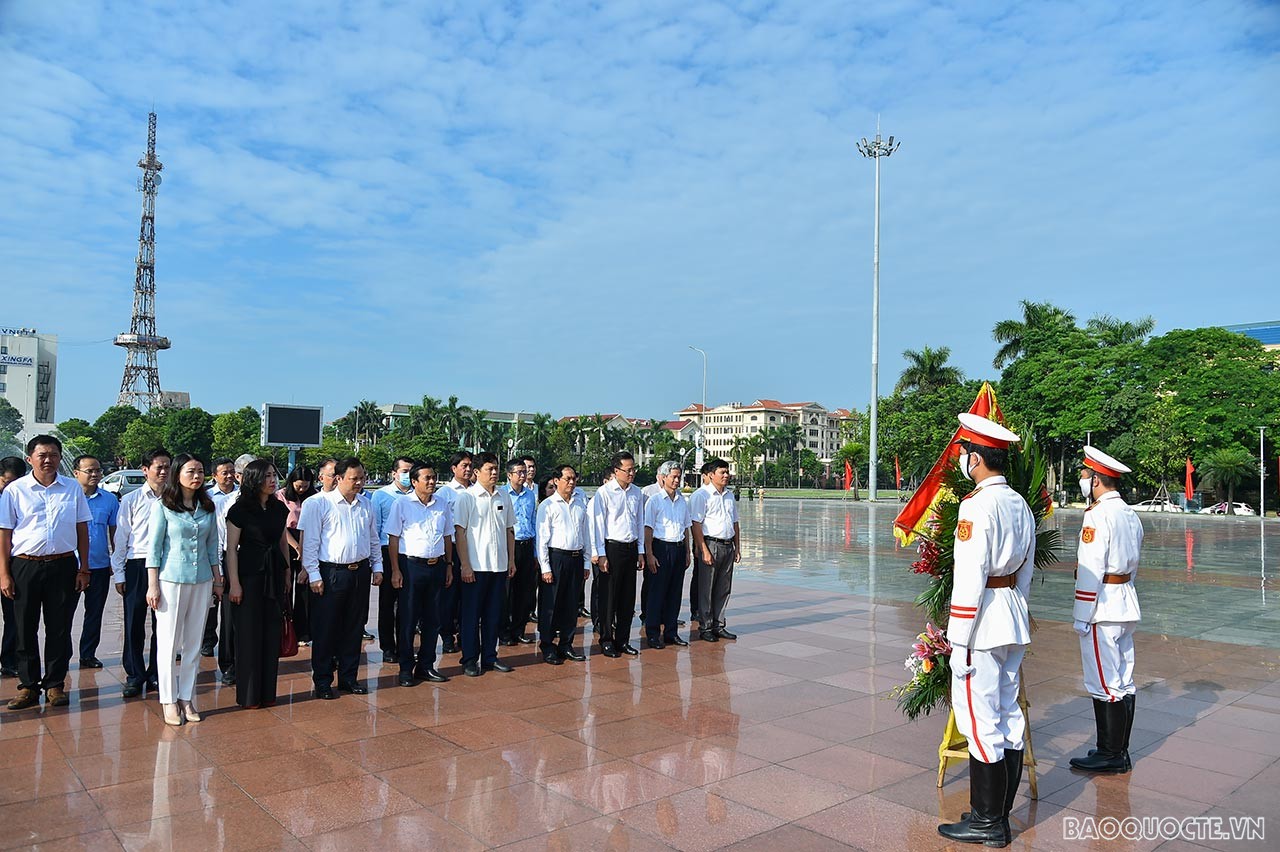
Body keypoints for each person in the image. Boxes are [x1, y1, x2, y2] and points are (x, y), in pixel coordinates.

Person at [937, 413, 1034, 848]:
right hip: (1012, 613)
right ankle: (997, 812)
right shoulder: (1019, 503)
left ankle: (986, 822)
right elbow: (1026, 569)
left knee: (979, 721)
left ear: (976, 459)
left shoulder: (976, 506)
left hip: (982, 621)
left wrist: (958, 638)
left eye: (964, 454)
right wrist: (1020, 608)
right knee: (1008, 713)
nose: (963, 460)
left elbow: (970, 574)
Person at [0, 436, 91, 710]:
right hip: (24, 566)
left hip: (63, 565)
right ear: (30, 459)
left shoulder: (72, 488)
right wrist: (4, 574)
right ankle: (28, 686)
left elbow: (82, 529)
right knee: (24, 627)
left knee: (59, 628)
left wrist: (83, 567)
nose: (48, 459)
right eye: (42, 455)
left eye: (53, 454)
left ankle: (54, 685)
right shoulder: (15, 491)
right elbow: (4, 535)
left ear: (60, 457)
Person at [1068, 447, 1143, 774]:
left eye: (1086, 475)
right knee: (1124, 681)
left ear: (1096, 479)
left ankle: (1109, 753)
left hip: (1103, 606)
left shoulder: (1097, 515)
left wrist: (1081, 614)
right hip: (1125, 599)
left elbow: (1090, 568)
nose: (1084, 480)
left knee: (1104, 681)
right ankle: (1119, 751)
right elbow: (1134, 562)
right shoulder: (1129, 513)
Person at [146, 454, 223, 726]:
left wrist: (217, 579)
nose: (196, 476)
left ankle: (186, 696)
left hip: (201, 579)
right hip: (170, 580)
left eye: (200, 471)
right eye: (190, 471)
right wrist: (152, 584)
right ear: (178, 474)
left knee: (193, 642)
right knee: (168, 642)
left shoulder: (207, 506)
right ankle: (168, 699)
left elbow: (212, 546)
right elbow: (154, 548)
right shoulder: (163, 506)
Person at [299, 457, 381, 699]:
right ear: (339, 478)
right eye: (353, 478)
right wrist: (313, 574)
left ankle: (348, 677)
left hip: (360, 572)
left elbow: (373, 538)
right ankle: (323, 680)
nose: (358, 483)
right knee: (326, 629)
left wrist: (378, 567)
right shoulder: (318, 503)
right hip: (331, 572)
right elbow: (311, 543)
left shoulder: (366, 504)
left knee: (354, 628)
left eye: (362, 478)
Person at [225, 460, 290, 709]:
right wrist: (235, 584)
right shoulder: (240, 509)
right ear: (254, 480)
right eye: (266, 476)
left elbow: (283, 542)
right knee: (249, 636)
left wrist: (286, 574)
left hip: (274, 573)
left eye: (274, 475)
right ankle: (249, 695)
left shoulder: (277, 508)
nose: (272, 481)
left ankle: (268, 693)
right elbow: (231, 549)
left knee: (271, 635)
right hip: (249, 575)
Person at [386, 461, 456, 686]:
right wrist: (396, 570)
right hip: (411, 567)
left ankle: (426, 665)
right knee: (407, 618)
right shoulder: (402, 504)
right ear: (414, 482)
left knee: (433, 619)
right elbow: (393, 538)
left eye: (434, 477)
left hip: (436, 567)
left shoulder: (442, 504)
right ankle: (406, 667)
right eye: (427, 478)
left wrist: (448, 565)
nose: (432, 481)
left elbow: (448, 536)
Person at [112, 447, 171, 697]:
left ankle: (157, 674)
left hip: (167, 565)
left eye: (168, 466)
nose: (164, 471)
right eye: (159, 466)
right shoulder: (131, 499)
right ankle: (135, 675)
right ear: (145, 470)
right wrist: (119, 574)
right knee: (134, 622)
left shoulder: (176, 499)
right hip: (137, 564)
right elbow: (121, 537)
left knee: (164, 623)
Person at [457, 452, 516, 677]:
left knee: (494, 614)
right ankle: (470, 659)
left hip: (498, 565)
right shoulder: (467, 497)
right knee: (471, 615)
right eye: (489, 469)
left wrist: (511, 560)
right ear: (476, 472)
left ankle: (490, 656)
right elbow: (460, 532)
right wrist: (465, 565)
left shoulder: (503, 496)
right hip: (476, 566)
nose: (494, 473)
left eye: (495, 468)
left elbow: (510, 530)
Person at [590, 452, 645, 658]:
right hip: (611, 549)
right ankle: (606, 640)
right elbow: (598, 525)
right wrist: (600, 554)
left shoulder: (636, 493)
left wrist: (641, 551)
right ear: (616, 471)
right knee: (608, 598)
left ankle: (623, 640)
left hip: (631, 549)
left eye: (633, 469)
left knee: (627, 598)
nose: (631, 473)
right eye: (627, 470)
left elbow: (639, 522)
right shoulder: (604, 493)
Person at [535, 465, 590, 665]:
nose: (571, 482)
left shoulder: (579, 504)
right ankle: (547, 645)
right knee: (551, 604)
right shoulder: (548, 505)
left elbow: (586, 534)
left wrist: (586, 561)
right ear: (556, 480)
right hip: (556, 557)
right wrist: (545, 567)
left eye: (574, 478)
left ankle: (566, 643)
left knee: (570, 604)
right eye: (567, 478)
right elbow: (542, 539)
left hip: (575, 558)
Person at [72, 455, 118, 669]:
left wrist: (116, 562)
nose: (95, 474)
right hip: (69, 566)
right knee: (63, 614)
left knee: (95, 612)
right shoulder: (68, 497)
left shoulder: (109, 499)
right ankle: (61, 655)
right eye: (89, 470)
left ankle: (88, 654)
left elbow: (115, 532)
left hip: (99, 565)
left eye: (98, 470)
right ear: (76, 473)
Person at [689, 459, 740, 643]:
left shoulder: (729, 495)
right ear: (711, 475)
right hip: (711, 544)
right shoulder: (701, 495)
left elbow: (735, 522)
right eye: (722, 472)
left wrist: (737, 547)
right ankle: (706, 626)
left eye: (727, 472)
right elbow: (696, 524)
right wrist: (703, 549)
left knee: (724, 588)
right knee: (706, 588)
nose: (726, 475)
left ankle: (719, 625)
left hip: (728, 545)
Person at [643, 462, 692, 649]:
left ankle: (671, 633)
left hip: (678, 549)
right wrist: (649, 554)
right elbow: (648, 529)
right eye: (673, 476)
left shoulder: (682, 501)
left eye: (679, 476)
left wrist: (687, 552)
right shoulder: (654, 501)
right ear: (663, 478)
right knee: (656, 594)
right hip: (661, 549)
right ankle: (653, 634)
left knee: (674, 593)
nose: (677, 480)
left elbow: (686, 528)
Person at [371, 457, 415, 665]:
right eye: (404, 471)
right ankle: (388, 646)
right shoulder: (381, 496)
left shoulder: (418, 495)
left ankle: (405, 645)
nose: (407, 475)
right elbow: (375, 529)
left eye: (411, 471)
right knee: (388, 603)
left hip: (412, 553)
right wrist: (377, 562)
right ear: (394, 473)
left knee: (408, 603)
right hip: (388, 551)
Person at [434, 452, 473, 655]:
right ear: (454, 468)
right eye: (463, 465)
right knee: (449, 596)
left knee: (469, 596)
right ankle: (447, 635)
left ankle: (464, 634)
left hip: (472, 550)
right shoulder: (445, 493)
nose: (467, 469)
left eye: (470, 466)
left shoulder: (476, 491)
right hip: (452, 550)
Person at [201, 457, 236, 658]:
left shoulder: (241, 495)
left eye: (232, 471)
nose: (230, 475)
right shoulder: (206, 496)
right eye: (225, 472)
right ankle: (208, 639)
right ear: (214, 475)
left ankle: (228, 645)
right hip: (209, 552)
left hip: (231, 552)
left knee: (228, 598)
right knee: (211, 599)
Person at [500, 459, 538, 646]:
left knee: (524, 592)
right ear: (509, 475)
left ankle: (519, 629)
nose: (523, 475)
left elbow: (533, 522)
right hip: (509, 546)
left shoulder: (530, 495)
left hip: (527, 544)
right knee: (507, 592)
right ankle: (504, 632)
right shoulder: (501, 495)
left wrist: (536, 553)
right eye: (519, 472)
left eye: (524, 472)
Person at [278, 465, 317, 644]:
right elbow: (280, 525)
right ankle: (284, 628)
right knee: (286, 586)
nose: (301, 489)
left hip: (308, 539)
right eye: (298, 486)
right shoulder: (281, 496)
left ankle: (303, 631)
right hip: (287, 539)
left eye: (305, 486)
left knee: (304, 589)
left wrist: (304, 548)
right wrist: (295, 547)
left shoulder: (315, 497)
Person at [0, 456, 30, 678]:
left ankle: (9, 660)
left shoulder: (23, 496)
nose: (9, 487)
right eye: (5, 481)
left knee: (14, 617)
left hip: (13, 565)